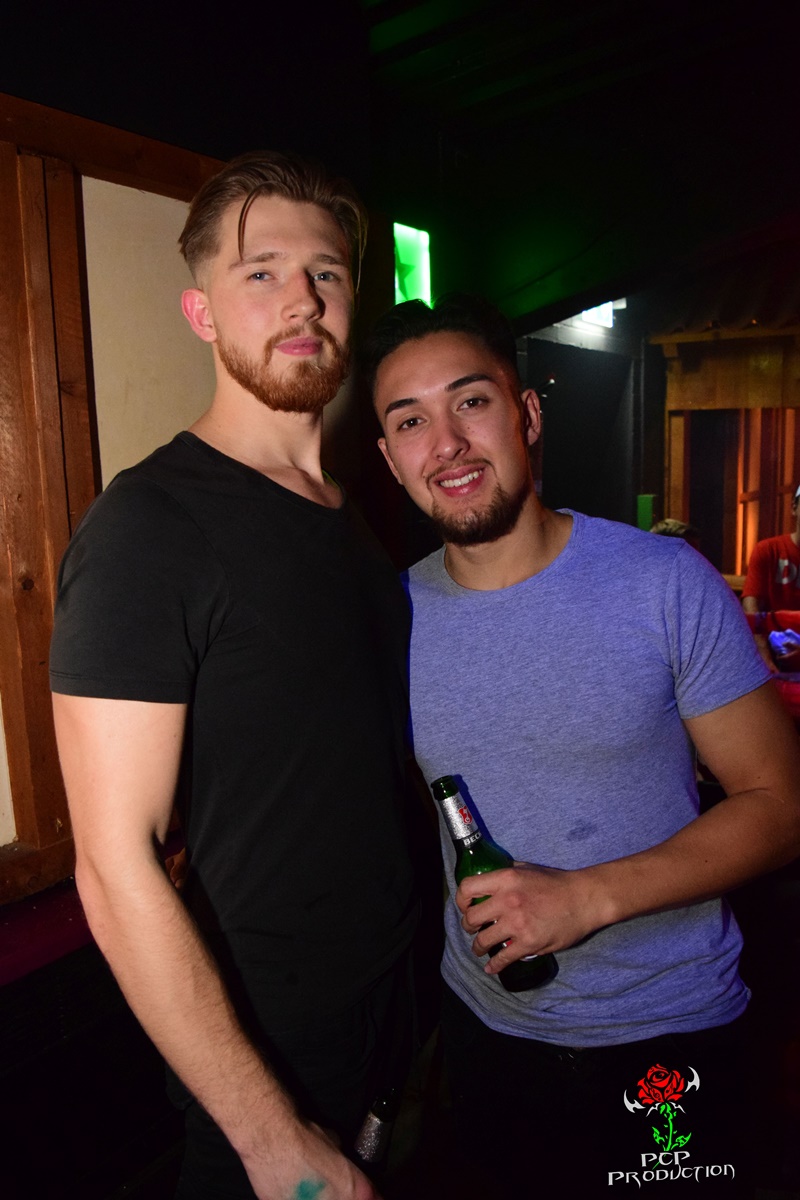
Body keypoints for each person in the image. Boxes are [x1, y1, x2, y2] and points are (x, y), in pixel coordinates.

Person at [363, 294, 800, 1196]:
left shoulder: (662, 583)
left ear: (527, 415)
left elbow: (782, 805)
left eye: (471, 401)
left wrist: (585, 897)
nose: (446, 443)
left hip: (668, 1036)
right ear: (389, 457)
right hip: (488, 1040)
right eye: (411, 421)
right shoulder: (387, 619)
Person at [49, 152, 419, 1200]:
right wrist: (269, 1139)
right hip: (268, 1065)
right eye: (261, 272)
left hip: (400, 1020)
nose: (302, 299)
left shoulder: (356, 519)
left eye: (326, 273)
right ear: (201, 312)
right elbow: (112, 867)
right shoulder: (149, 527)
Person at [742, 487, 800, 668]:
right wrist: (763, 656)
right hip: (772, 649)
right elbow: (751, 605)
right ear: (794, 508)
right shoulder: (768, 550)